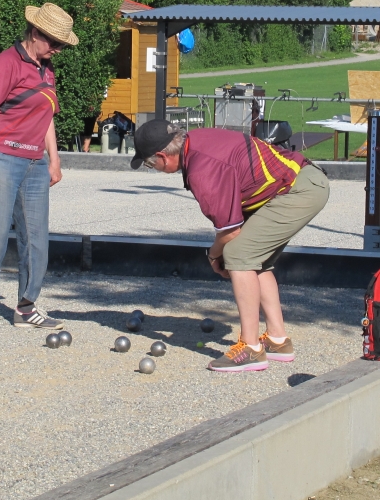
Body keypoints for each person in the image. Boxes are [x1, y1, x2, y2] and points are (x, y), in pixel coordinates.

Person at [130, 119, 330, 372]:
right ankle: (278, 340)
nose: (152, 168)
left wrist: (213, 257)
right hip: (298, 183)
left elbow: (230, 231)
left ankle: (250, 348)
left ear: (163, 156)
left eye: (149, 164)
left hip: (298, 190)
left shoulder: (202, 169)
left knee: (238, 254)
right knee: (256, 259)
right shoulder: (197, 141)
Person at [0, 3, 76, 337]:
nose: (57, 49)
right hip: (2, 159)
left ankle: (26, 307)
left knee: (36, 239)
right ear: (36, 33)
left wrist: (55, 159)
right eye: (53, 42)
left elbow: (46, 115)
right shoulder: (7, 63)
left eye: (61, 44)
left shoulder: (45, 69)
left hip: (35, 165)